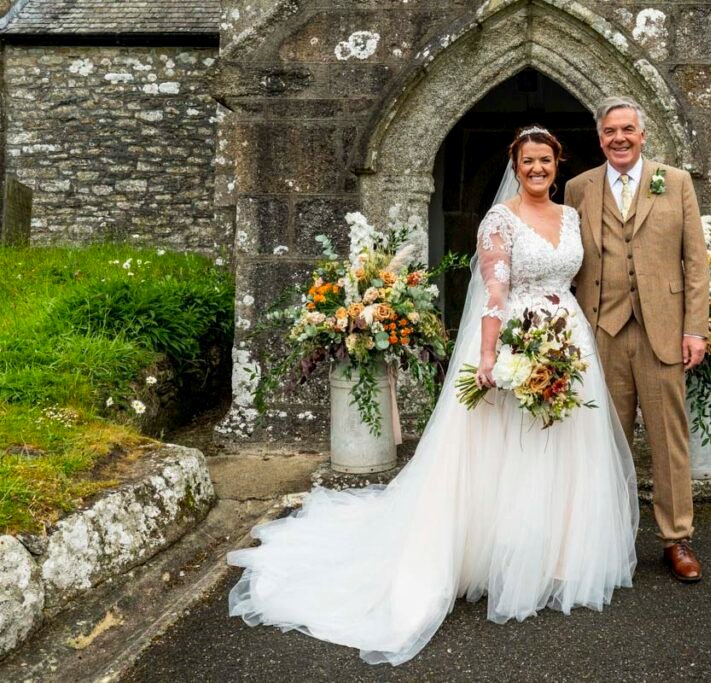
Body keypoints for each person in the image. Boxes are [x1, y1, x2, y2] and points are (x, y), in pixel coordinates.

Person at [226, 126, 639, 666]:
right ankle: (496, 557)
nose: (537, 168)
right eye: (527, 161)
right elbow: (494, 291)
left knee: (561, 439)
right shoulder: (500, 220)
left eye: (545, 160)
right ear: (515, 165)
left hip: (568, 335)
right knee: (503, 446)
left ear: (557, 165)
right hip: (515, 334)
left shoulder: (570, 218)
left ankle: (554, 555)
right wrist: (490, 359)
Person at [564, 96, 710, 582]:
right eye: (610, 131)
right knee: (604, 439)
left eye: (627, 130)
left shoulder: (677, 182)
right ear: (600, 137)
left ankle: (677, 537)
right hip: (600, 329)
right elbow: (568, 261)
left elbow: (695, 263)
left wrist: (695, 328)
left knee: (670, 438)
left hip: (662, 330)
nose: (619, 138)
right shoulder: (578, 188)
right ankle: (607, 535)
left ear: (642, 135)